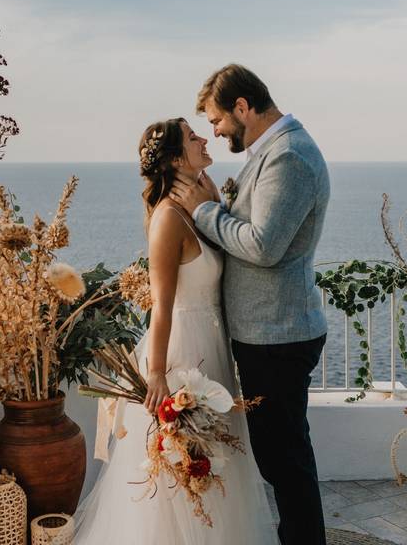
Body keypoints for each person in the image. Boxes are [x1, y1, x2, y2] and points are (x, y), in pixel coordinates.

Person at [74, 117, 279, 545]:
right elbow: (161, 307)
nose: (205, 138)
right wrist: (157, 373)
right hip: (183, 350)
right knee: (182, 469)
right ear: (173, 159)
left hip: (213, 346)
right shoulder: (167, 218)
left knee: (218, 460)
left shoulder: (198, 203)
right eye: (192, 137)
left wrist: (214, 204)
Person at [169, 64, 331, 545]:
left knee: (286, 461)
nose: (215, 133)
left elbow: (264, 245)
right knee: (280, 458)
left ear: (243, 107)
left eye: (217, 121)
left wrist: (204, 212)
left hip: (279, 333)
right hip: (266, 332)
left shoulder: (290, 157)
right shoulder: (271, 152)